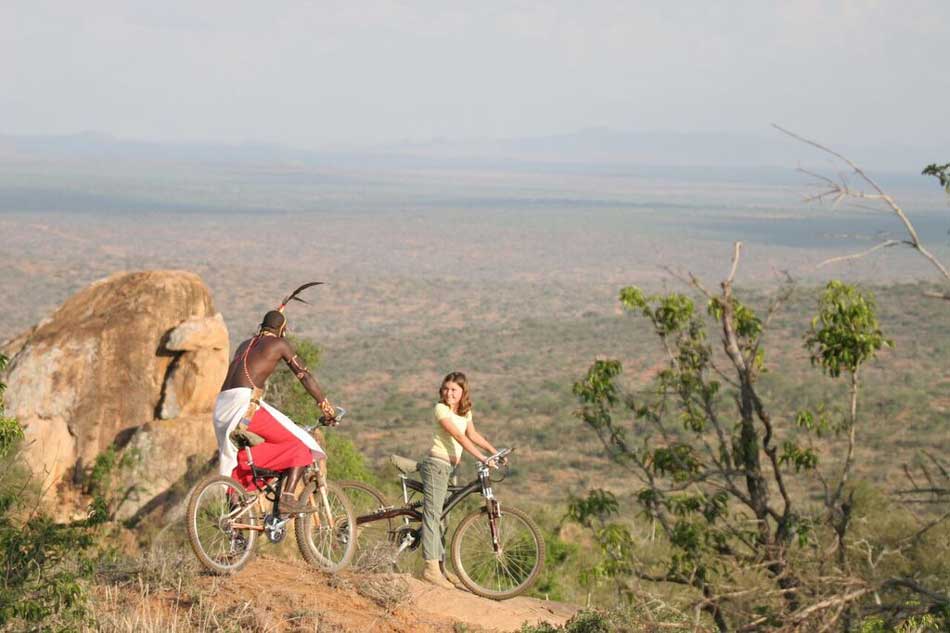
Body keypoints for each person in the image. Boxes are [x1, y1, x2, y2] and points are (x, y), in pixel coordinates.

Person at [212, 283, 337, 514]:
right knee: (303, 444)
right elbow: (304, 375)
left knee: (235, 460)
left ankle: (237, 526)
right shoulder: (279, 343)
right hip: (243, 404)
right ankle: (288, 498)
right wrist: (325, 406)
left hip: (220, 407)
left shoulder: (245, 344)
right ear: (282, 330)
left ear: (262, 327)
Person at [420, 371, 499, 589]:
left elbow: (472, 434)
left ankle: (442, 569)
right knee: (433, 515)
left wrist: (493, 451)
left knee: (443, 520)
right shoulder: (441, 409)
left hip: (448, 469)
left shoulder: (465, 413)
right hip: (437, 465)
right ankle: (430, 569)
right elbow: (459, 436)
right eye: (446, 389)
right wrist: (482, 457)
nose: (449, 393)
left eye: (454, 389)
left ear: (463, 392)